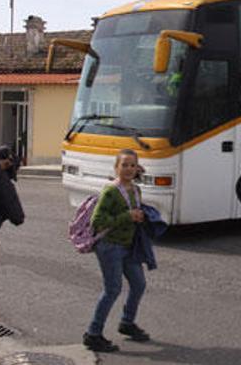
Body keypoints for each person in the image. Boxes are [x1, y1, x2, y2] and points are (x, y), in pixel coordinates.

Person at [83, 149, 153, 352]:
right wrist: (128, 215)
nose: (129, 169)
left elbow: (133, 214)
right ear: (116, 168)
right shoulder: (110, 191)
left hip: (128, 245)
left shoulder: (136, 189)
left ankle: (127, 323)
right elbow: (97, 222)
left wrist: (141, 216)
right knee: (112, 289)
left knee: (139, 284)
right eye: (124, 165)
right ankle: (93, 334)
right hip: (109, 246)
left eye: (132, 165)